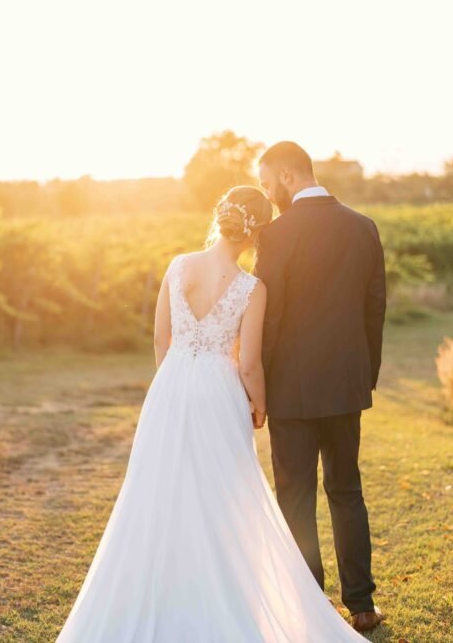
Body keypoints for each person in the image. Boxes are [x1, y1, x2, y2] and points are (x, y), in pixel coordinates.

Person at [56, 185, 368, 641]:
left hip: (170, 390)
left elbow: (161, 341)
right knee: (224, 497)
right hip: (220, 395)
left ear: (220, 217)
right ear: (258, 232)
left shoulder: (178, 266)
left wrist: (176, 385)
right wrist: (259, 405)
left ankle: (163, 594)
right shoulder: (251, 288)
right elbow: (248, 363)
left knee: (159, 493)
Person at [254, 141, 387, 633]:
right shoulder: (363, 227)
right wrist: (363, 376)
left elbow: (268, 317)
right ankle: (362, 605)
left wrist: (258, 386)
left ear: (288, 176)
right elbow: (375, 309)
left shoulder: (277, 234)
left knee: (295, 496)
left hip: (291, 389)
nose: (268, 196)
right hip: (346, 387)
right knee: (347, 490)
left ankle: (308, 604)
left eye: (268, 184)